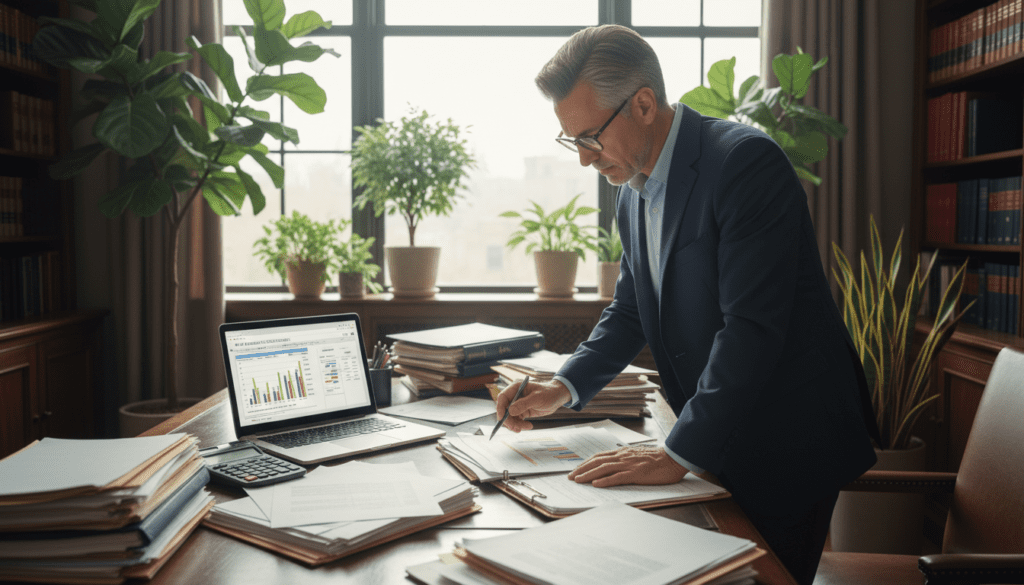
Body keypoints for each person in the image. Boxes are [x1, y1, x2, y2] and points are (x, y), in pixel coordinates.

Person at [496, 24, 880, 585]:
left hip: (786, 442)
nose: (583, 159)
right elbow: (630, 309)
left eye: (589, 138)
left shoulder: (745, 164)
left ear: (644, 105)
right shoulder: (631, 191)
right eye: (571, 140)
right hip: (719, 435)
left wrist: (674, 455)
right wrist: (564, 385)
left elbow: (750, 330)